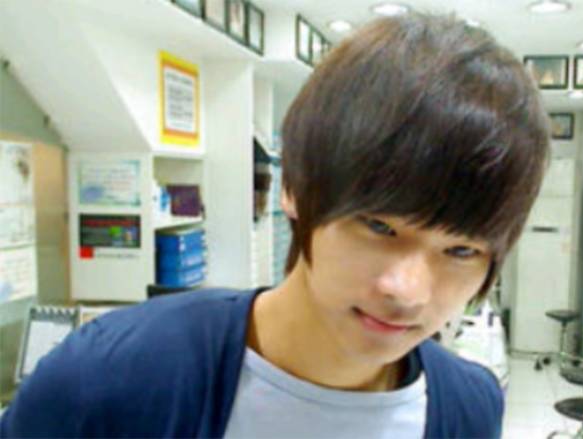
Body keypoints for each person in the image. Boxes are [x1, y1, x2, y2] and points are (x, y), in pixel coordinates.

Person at [0, 12, 550, 439]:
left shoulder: (469, 407)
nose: (406, 291)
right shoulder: (108, 379)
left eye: (460, 251)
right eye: (379, 226)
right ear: (296, 190)